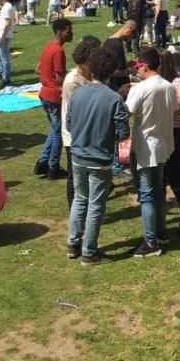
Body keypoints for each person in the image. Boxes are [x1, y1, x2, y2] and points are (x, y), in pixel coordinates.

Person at [66, 48, 130, 265]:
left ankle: (73, 243)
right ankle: (89, 252)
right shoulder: (113, 99)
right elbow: (123, 134)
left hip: (77, 156)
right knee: (95, 205)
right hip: (99, 160)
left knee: (79, 199)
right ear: (110, 72)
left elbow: (68, 124)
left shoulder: (77, 94)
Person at [126, 48, 177, 257]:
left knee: (146, 194)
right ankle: (161, 231)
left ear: (144, 66)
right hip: (163, 143)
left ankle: (150, 241)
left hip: (145, 147)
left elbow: (127, 112)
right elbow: (174, 108)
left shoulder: (139, 89)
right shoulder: (168, 86)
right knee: (158, 190)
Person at [60, 37, 102, 206]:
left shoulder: (90, 76)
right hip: (74, 135)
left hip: (89, 132)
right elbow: (79, 110)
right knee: (74, 176)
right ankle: (74, 209)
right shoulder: (72, 81)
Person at [157, 50, 180, 234]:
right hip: (159, 135)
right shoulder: (152, 84)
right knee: (159, 180)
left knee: (176, 180)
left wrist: (168, 107)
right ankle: (160, 222)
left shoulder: (176, 83)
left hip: (176, 134)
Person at [35, 18, 73, 179]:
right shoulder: (58, 51)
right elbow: (59, 78)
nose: (71, 34)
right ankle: (53, 167)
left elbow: (38, 69)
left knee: (54, 129)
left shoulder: (48, 46)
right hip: (54, 95)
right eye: (68, 30)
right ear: (60, 32)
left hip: (44, 93)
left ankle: (42, 162)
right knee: (58, 132)